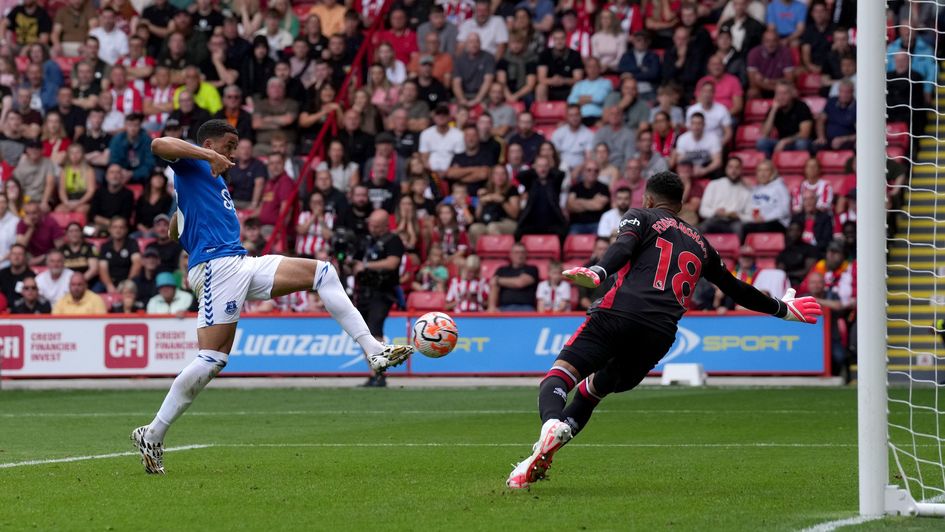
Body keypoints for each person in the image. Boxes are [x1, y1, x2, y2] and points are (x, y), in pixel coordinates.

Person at [506, 171, 822, 490]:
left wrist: (599, 271)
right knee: (592, 392)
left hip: (619, 312)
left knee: (559, 376)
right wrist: (782, 309)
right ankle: (540, 456)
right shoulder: (702, 244)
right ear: (681, 205)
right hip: (658, 336)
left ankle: (550, 423)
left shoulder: (641, 216)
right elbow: (735, 288)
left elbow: (624, 247)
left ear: (648, 199)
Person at [132, 121, 413, 473]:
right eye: (229, 145)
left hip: (238, 261)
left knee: (323, 272)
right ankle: (153, 433)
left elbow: (179, 223)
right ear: (208, 142)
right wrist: (206, 157)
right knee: (212, 358)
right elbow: (159, 143)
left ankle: (374, 350)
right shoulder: (193, 160)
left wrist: (182, 216)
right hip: (217, 268)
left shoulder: (209, 176)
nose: (233, 153)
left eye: (234, 147)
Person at [353, 209, 407, 387]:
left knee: (375, 332)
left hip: (382, 292)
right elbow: (356, 261)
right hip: (364, 292)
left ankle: (380, 374)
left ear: (386, 225)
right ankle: (373, 373)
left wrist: (366, 266)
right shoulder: (366, 240)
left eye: (376, 226)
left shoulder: (393, 240)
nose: (372, 228)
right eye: (371, 224)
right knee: (363, 334)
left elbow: (392, 263)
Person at [698, 157, 751, 234]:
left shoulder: (746, 190)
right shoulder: (714, 184)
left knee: (740, 228)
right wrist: (715, 212)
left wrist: (738, 215)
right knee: (702, 228)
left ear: (741, 170)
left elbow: (750, 216)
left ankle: (742, 246)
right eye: (730, 167)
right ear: (726, 168)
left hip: (735, 222)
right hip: (715, 219)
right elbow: (703, 210)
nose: (733, 171)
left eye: (737, 167)